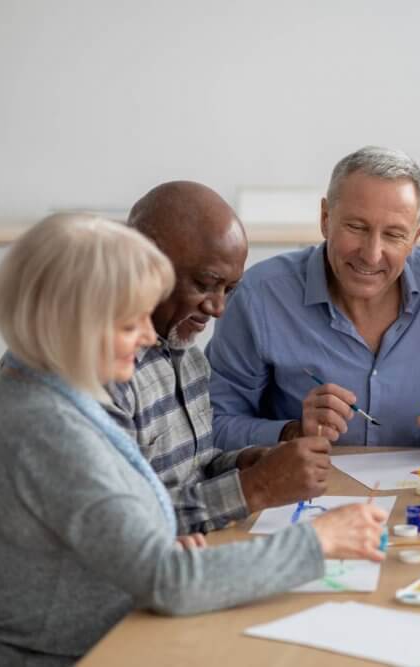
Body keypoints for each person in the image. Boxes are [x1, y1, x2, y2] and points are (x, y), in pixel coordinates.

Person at [0, 214, 386, 666]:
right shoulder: (48, 428)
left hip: (123, 628)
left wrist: (155, 537)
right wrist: (318, 541)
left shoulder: (48, 390)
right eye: (130, 323)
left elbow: (131, 519)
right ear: (74, 322)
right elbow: (171, 582)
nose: (148, 337)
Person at [207, 146, 420, 450]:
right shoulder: (259, 295)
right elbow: (211, 424)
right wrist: (293, 432)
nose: (372, 254)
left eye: (393, 235)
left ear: (415, 237)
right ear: (325, 219)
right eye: (356, 227)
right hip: (306, 491)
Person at [108, 182, 334, 535]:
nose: (218, 309)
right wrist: (254, 487)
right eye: (204, 283)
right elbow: (122, 526)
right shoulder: (97, 368)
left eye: (229, 290)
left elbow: (194, 470)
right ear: (144, 261)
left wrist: (244, 464)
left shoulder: (187, 354)